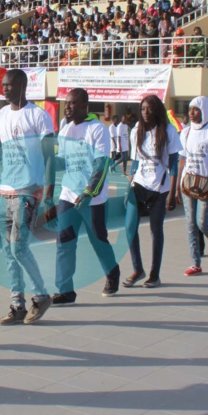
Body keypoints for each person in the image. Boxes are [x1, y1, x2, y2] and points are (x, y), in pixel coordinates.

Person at [0, 69, 56, 325]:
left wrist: (48, 195)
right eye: (2, 85)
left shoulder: (39, 116)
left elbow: (49, 156)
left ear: (22, 86)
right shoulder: (2, 114)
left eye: (8, 85)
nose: (3, 88)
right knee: (8, 252)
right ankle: (17, 305)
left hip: (28, 190)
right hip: (5, 190)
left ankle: (41, 295)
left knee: (19, 247)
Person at [46, 89, 119, 305]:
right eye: (66, 103)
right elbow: (62, 162)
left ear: (85, 105)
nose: (67, 107)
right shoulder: (65, 130)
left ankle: (112, 273)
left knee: (99, 240)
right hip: (68, 195)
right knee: (64, 242)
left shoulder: (98, 129)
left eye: (72, 103)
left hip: (92, 198)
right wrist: (47, 157)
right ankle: (65, 290)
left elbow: (101, 163)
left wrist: (90, 191)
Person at [121, 95, 181, 289]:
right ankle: (138, 269)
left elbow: (173, 163)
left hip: (160, 187)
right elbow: (135, 161)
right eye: (143, 109)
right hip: (138, 184)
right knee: (130, 227)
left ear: (157, 111)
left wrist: (173, 191)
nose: (146, 112)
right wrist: (129, 182)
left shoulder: (169, 131)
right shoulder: (137, 130)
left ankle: (154, 274)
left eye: (150, 109)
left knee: (156, 230)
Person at [178, 97, 208, 276]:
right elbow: (182, 160)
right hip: (187, 184)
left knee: (202, 222)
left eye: (195, 109)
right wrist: (177, 187)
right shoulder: (185, 132)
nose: (191, 113)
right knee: (190, 224)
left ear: (204, 110)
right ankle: (195, 263)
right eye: (190, 109)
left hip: (206, 184)